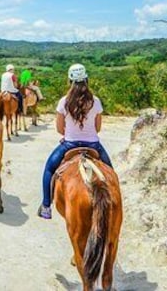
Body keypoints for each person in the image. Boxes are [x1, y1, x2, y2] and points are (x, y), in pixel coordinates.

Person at [38, 63, 113, 219]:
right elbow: (98, 128)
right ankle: (114, 202)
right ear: (86, 79)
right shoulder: (96, 101)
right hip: (93, 145)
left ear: (69, 81)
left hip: (69, 145)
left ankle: (46, 206)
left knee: (49, 168)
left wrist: (71, 133)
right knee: (111, 172)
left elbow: (60, 129)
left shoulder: (64, 102)